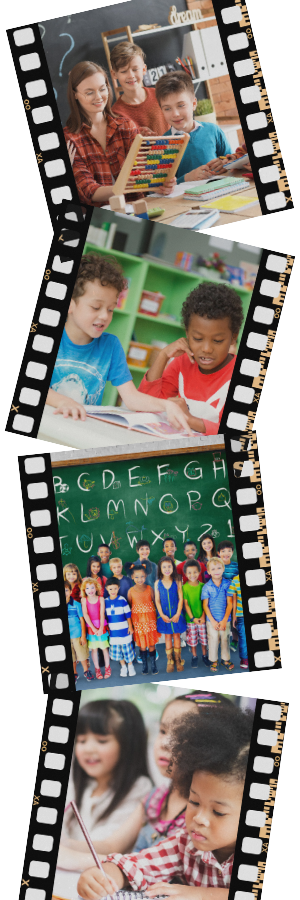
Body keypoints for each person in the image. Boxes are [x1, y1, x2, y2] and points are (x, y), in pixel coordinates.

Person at [77, 701, 254, 900]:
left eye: (218, 812)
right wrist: (105, 876)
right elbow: (139, 864)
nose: (199, 818)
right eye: (194, 802)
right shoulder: (184, 844)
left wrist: (202, 895)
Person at [46, 253, 192, 434]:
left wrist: (166, 406)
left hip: (80, 428)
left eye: (110, 309)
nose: (104, 316)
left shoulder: (111, 345)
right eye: (96, 307)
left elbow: (131, 398)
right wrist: (62, 401)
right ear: (70, 304)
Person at [57, 699, 152, 871]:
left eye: (101, 741)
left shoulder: (140, 789)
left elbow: (110, 847)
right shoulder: (77, 784)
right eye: (81, 740)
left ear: (127, 745)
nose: (88, 749)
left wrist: (61, 845)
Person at [64, 61, 176, 207]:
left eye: (102, 89)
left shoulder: (125, 126)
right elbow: (88, 191)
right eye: (89, 92)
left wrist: (160, 182)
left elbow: (144, 173)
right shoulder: (69, 139)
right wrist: (130, 185)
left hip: (139, 208)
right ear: (75, 95)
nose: (98, 97)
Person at [138, 282, 244, 435]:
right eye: (197, 338)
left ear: (233, 338)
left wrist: (189, 419)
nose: (207, 349)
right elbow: (145, 405)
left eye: (218, 341)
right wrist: (163, 356)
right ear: (187, 334)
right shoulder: (183, 362)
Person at [155, 70, 232, 183]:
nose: (175, 114)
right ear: (161, 110)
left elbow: (232, 162)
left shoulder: (213, 131)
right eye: (167, 108)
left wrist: (225, 164)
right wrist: (186, 178)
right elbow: (156, 188)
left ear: (194, 104)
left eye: (181, 105)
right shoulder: (161, 145)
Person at [110, 42, 169, 137]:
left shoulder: (160, 95)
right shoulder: (116, 114)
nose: (130, 76)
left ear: (144, 69)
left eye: (135, 69)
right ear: (114, 74)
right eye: (124, 71)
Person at [127, 563, 160, 675]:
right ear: (132, 577)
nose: (139, 579)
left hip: (150, 621)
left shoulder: (149, 588)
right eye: (136, 577)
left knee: (151, 644)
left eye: (142, 576)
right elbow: (129, 607)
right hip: (138, 623)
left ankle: (153, 665)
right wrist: (130, 624)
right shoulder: (131, 591)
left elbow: (155, 602)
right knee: (142, 645)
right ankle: (145, 666)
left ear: (145, 576)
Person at [154, 557, 186, 672]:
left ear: (173, 567)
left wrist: (178, 613)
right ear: (160, 569)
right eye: (164, 567)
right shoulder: (158, 582)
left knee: (177, 636)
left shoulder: (177, 580)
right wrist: (161, 614)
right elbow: (157, 600)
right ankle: (170, 660)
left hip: (176, 613)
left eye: (169, 566)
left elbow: (181, 598)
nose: (167, 569)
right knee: (167, 637)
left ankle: (178, 659)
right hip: (165, 615)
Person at [201, 558, 233, 672]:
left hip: (225, 619)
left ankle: (225, 659)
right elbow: (205, 606)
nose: (216, 571)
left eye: (219, 568)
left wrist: (224, 620)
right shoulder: (206, 587)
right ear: (209, 572)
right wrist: (213, 621)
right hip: (211, 620)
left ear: (223, 569)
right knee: (213, 640)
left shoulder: (228, 584)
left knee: (225, 639)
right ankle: (213, 660)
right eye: (213, 569)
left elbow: (230, 603)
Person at [105, 577, 136, 677]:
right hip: (114, 633)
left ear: (118, 588)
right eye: (110, 589)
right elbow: (105, 617)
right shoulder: (105, 602)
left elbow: (128, 614)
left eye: (115, 588)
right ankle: (123, 667)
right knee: (118, 652)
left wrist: (130, 626)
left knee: (127, 651)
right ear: (106, 589)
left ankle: (130, 666)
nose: (113, 591)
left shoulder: (122, 600)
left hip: (124, 631)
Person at [81, 578, 111, 679]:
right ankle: (97, 670)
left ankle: (107, 668)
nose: (90, 590)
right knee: (94, 649)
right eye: (87, 588)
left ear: (96, 588)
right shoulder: (84, 600)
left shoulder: (101, 599)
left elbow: (102, 614)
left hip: (101, 625)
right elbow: (85, 614)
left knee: (104, 648)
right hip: (91, 627)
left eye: (92, 587)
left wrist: (101, 628)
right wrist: (94, 629)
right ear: (84, 590)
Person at [182, 560, 209, 669]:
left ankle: (204, 655)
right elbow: (186, 605)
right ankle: (194, 656)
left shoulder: (203, 586)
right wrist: (193, 618)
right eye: (189, 572)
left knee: (204, 639)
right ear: (185, 573)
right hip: (191, 620)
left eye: (195, 572)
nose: (192, 575)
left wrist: (203, 616)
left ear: (199, 572)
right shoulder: (184, 587)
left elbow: (205, 603)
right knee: (192, 640)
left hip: (202, 619)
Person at [65, 579, 90, 683]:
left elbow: (82, 620)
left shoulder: (76, 604)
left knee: (82, 654)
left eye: (66, 590)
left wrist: (83, 635)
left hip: (77, 634)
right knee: (72, 657)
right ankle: (75, 673)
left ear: (70, 591)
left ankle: (86, 671)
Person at [226, 575, 248, 669]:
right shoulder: (236, 579)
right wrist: (234, 615)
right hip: (240, 614)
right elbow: (234, 598)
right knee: (243, 638)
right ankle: (244, 658)